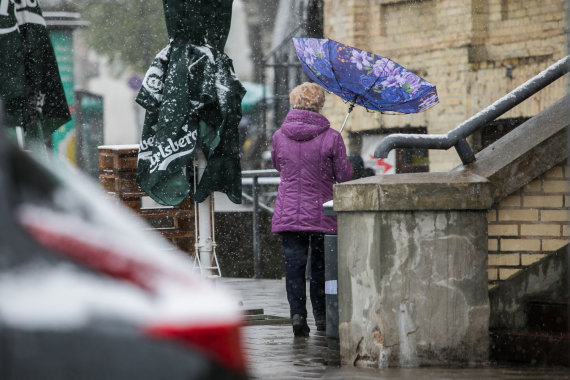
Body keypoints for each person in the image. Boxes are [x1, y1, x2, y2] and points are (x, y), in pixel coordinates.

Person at [271, 82, 353, 337]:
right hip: (321, 214)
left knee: (294, 266)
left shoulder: (279, 136)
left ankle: (297, 316)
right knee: (320, 269)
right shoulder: (332, 137)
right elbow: (345, 176)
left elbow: (278, 166)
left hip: (289, 214)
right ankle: (322, 318)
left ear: (294, 103)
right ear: (320, 105)